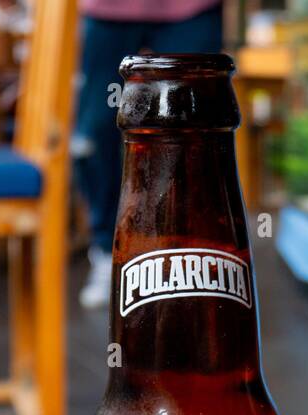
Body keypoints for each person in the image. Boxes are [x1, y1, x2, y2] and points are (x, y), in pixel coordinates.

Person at [73, 1, 225, 309]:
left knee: (198, 127)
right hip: (107, 10)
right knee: (96, 130)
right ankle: (106, 251)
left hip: (192, 9)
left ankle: (195, 253)